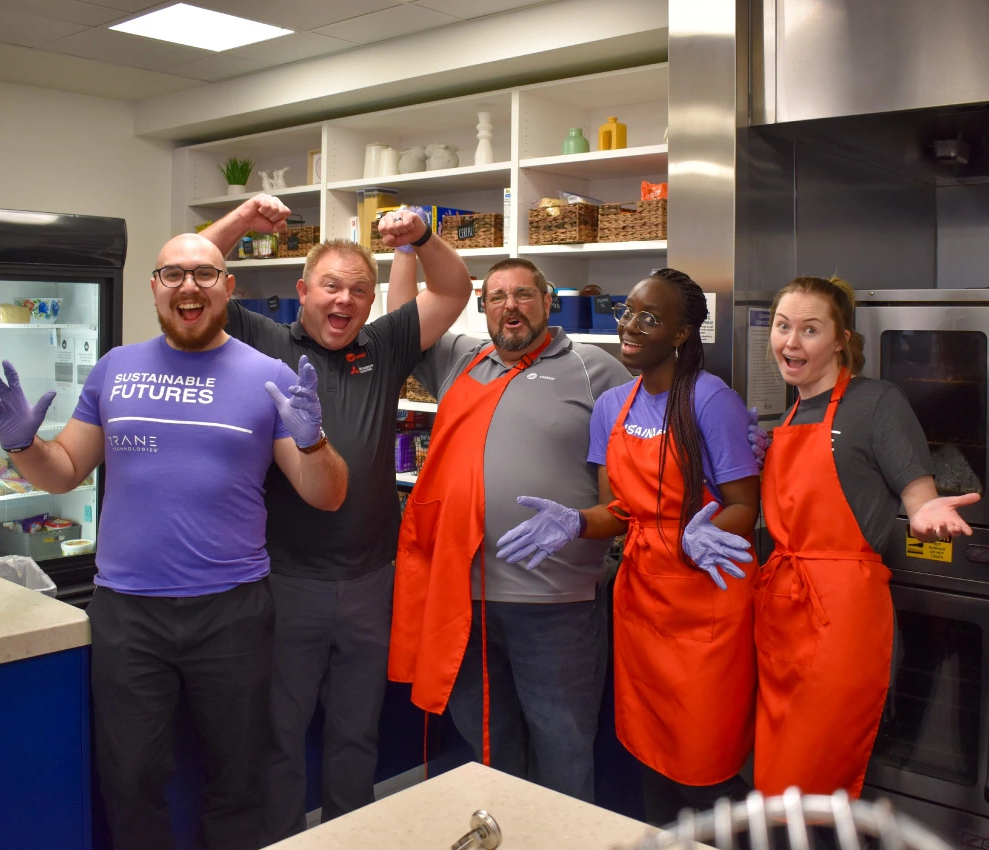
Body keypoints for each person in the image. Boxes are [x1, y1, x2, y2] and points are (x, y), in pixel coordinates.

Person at [0, 233, 348, 850]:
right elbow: (65, 469)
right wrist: (23, 444)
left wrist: (314, 441)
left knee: (237, 780)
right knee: (129, 779)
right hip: (129, 612)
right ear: (154, 287)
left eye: (205, 274)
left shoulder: (269, 378)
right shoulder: (116, 369)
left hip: (233, 610)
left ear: (228, 289)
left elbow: (328, 495)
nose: (189, 286)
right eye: (173, 274)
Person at [200, 197, 472, 841]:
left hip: (372, 580)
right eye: (330, 285)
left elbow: (454, 288)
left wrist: (425, 236)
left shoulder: (384, 345)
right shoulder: (264, 338)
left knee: (357, 732)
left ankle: (347, 838)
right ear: (301, 292)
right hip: (286, 579)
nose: (344, 300)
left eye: (359, 288)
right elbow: (197, 270)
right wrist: (239, 220)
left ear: (372, 300)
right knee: (281, 736)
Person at [496, 269, 761, 824]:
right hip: (640, 604)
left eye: (650, 318)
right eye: (628, 312)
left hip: (706, 601)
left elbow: (744, 504)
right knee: (652, 758)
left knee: (704, 767)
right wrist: (574, 523)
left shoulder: (712, 402)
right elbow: (618, 511)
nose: (630, 327)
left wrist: (709, 530)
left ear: (682, 334)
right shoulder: (614, 404)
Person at [386, 256, 631, 803]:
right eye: (497, 297)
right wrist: (407, 249)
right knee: (488, 750)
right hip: (463, 599)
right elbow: (403, 324)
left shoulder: (596, 369)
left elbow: (637, 467)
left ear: (549, 303)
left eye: (524, 294)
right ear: (483, 308)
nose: (510, 307)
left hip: (556, 604)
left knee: (563, 747)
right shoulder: (462, 360)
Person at [753, 275, 980, 798]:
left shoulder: (877, 401)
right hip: (784, 613)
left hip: (841, 616)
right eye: (783, 326)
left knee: (812, 779)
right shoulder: (789, 412)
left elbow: (917, 495)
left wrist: (923, 513)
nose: (791, 342)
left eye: (810, 330)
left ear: (840, 339)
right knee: (776, 781)